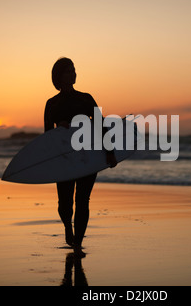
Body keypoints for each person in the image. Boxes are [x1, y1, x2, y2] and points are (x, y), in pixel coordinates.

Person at [44, 57, 117, 257]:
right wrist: (60, 128)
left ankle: (78, 243)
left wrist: (109, 152)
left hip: (87, 156)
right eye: (69, 71)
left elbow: (102, 126)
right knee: (64, 204)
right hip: (64, 158)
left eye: (74, 70)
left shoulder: (86, 98)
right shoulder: (52, 104)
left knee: (83, 200)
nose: (74, 73)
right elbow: (47, 136)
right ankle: (68, 226)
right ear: (59, 76)